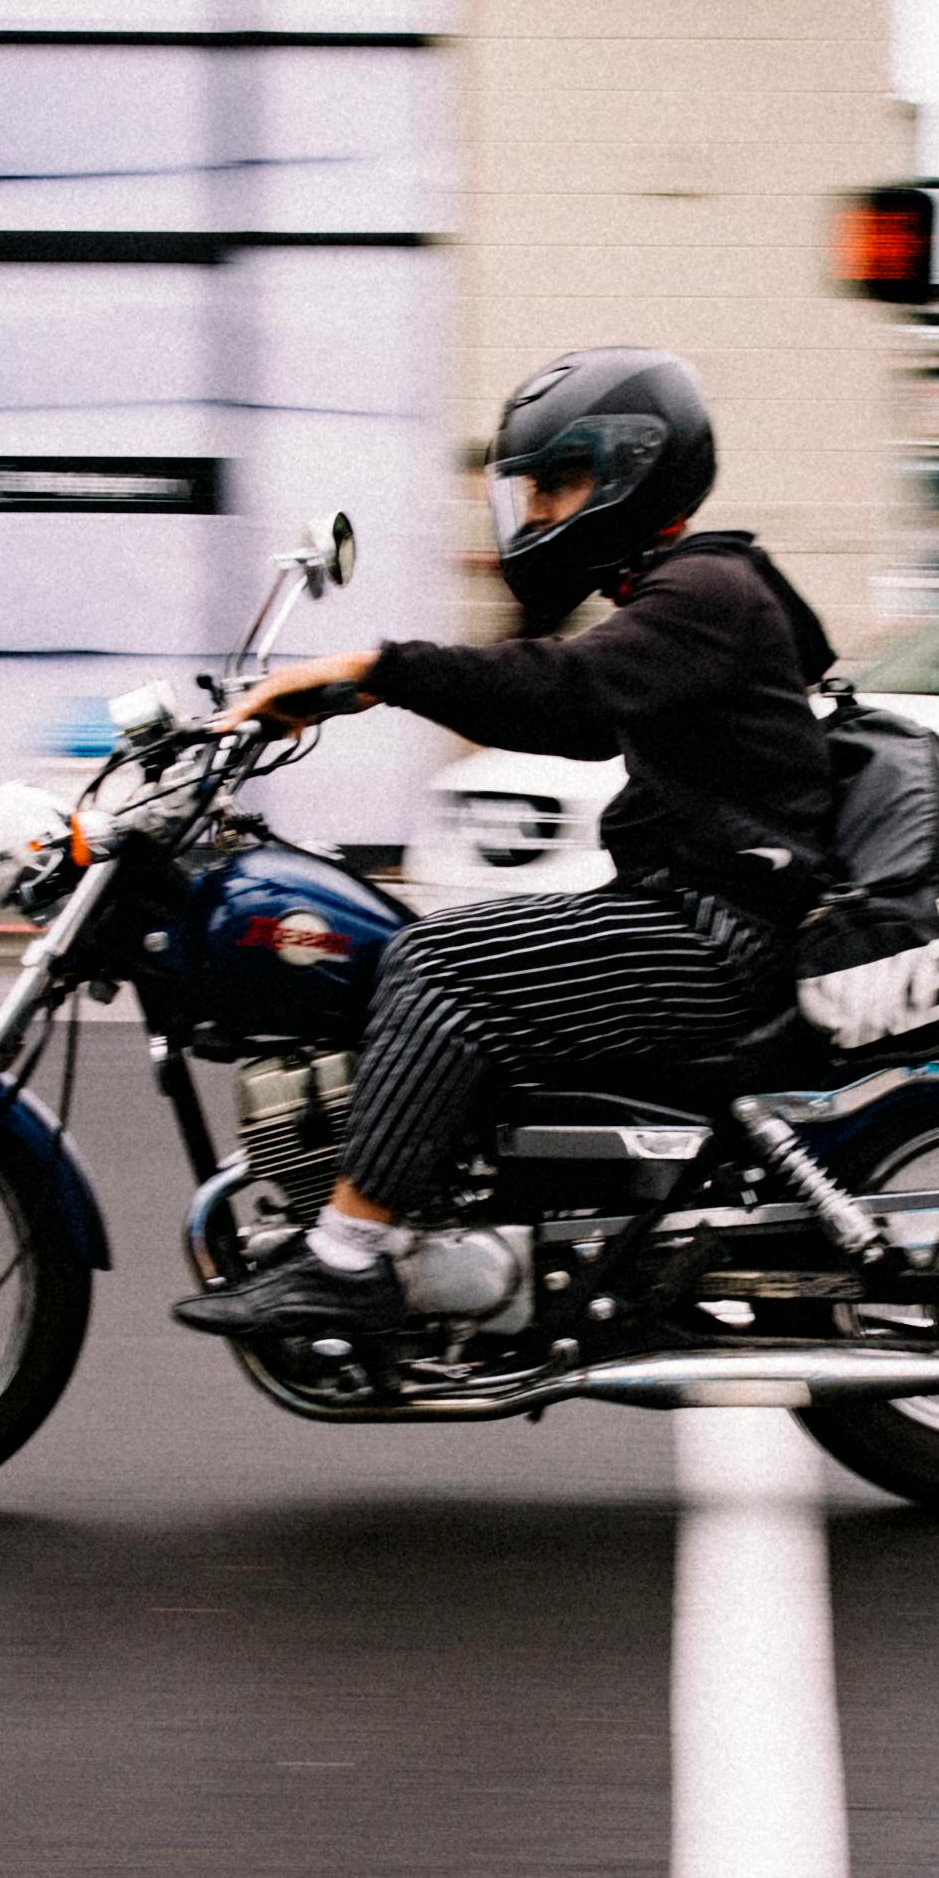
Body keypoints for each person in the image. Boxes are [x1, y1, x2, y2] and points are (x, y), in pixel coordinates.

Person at [175, 346, 838, 1345]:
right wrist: (354, 691)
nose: (532, 515)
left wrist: (379, 665)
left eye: (555, 487)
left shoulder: (705, 590)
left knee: (436, 964)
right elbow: (578, 715)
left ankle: (347, 1262)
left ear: (628, 472)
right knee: (432, 943)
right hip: (695, 909)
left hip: (722, 935)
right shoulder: (688, 597)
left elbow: (563, 688)